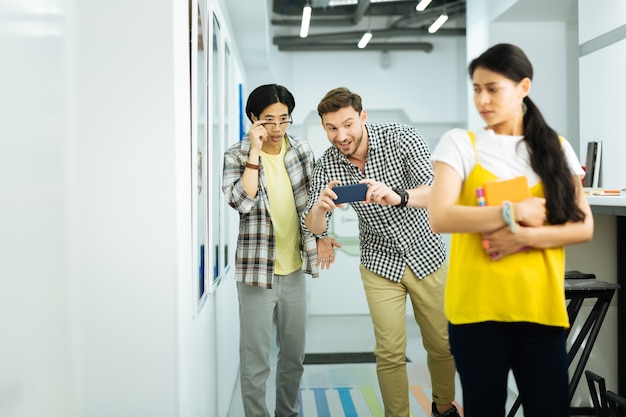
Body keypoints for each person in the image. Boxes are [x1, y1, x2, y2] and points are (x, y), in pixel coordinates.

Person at [428, 43, 594, 417]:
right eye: (476, 88)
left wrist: (524, 237)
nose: (482, 99)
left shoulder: (555, 148)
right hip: (476, 311)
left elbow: (583, 226)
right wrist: (513, 211)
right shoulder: (460, 144)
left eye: (493, 88)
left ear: (523, 87)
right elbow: (442, 216)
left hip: (540, 306)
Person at [303, 87, 460, 417]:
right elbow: (315, 227)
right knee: (389, 351)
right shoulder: (328, 164)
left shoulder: (401, 137)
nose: (341, 135)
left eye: (347, 124)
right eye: (331, 128)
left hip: (426, 255)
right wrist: (319, 209)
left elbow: (435, 192)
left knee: (441, 344)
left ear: (363, 116)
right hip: (379, 262)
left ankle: (443, 407)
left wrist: (397, 196)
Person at [222, 83, 339, 417]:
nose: (277, 129)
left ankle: (287, 413)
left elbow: (315, 203)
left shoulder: (301, 150)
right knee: (256, 362)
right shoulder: (236, 155)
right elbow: (241, 202)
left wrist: (322, 235)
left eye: (284, 119)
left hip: (294, 271)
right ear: (253, 118)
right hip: (257, 273)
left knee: (293, 359)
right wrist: (255, 154)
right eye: (268, 120)